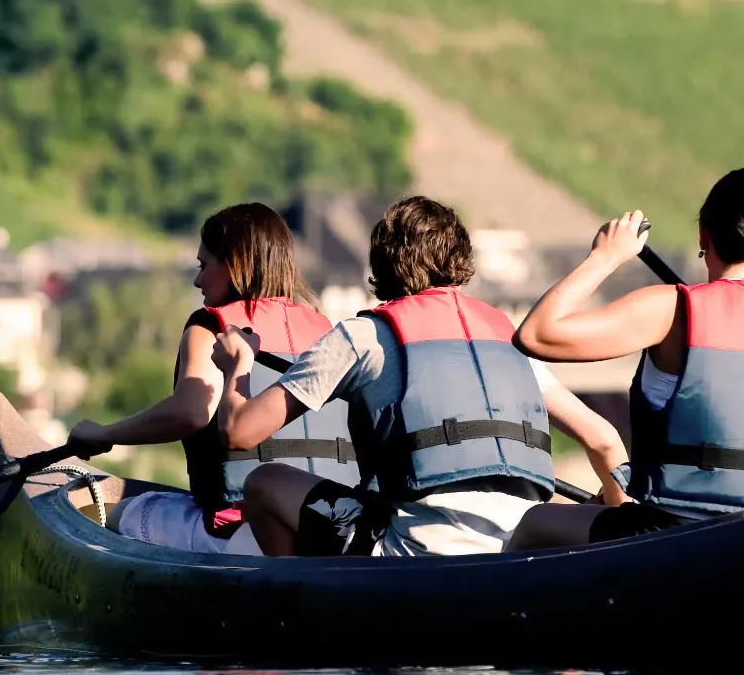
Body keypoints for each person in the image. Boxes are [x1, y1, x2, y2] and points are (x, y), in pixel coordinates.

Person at [216, 195, 628, 557]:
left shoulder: (365, 336)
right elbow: (605, 441)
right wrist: (612, 505)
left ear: (380, 265)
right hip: (520, 547)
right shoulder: (508, 338)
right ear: (461, 260)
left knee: (264, 481)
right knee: (590, 511)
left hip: (416, 552)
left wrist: (238, 367)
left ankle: (304, 616)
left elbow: (241, 432)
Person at [507, 167, 744, 551]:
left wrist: (606, 257)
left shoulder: (672, 309)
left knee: (535, 523)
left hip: (674, 532)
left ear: (704, 235)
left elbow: (535, 334)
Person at [66, 203, 357, 552]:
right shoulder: (329, 333)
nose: (197, 279)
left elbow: (190, 412)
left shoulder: (212, 326)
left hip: (238, 529)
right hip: (324, 526)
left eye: (205, 266)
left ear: (234, 265)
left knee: (113, 514)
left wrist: (104, 434)